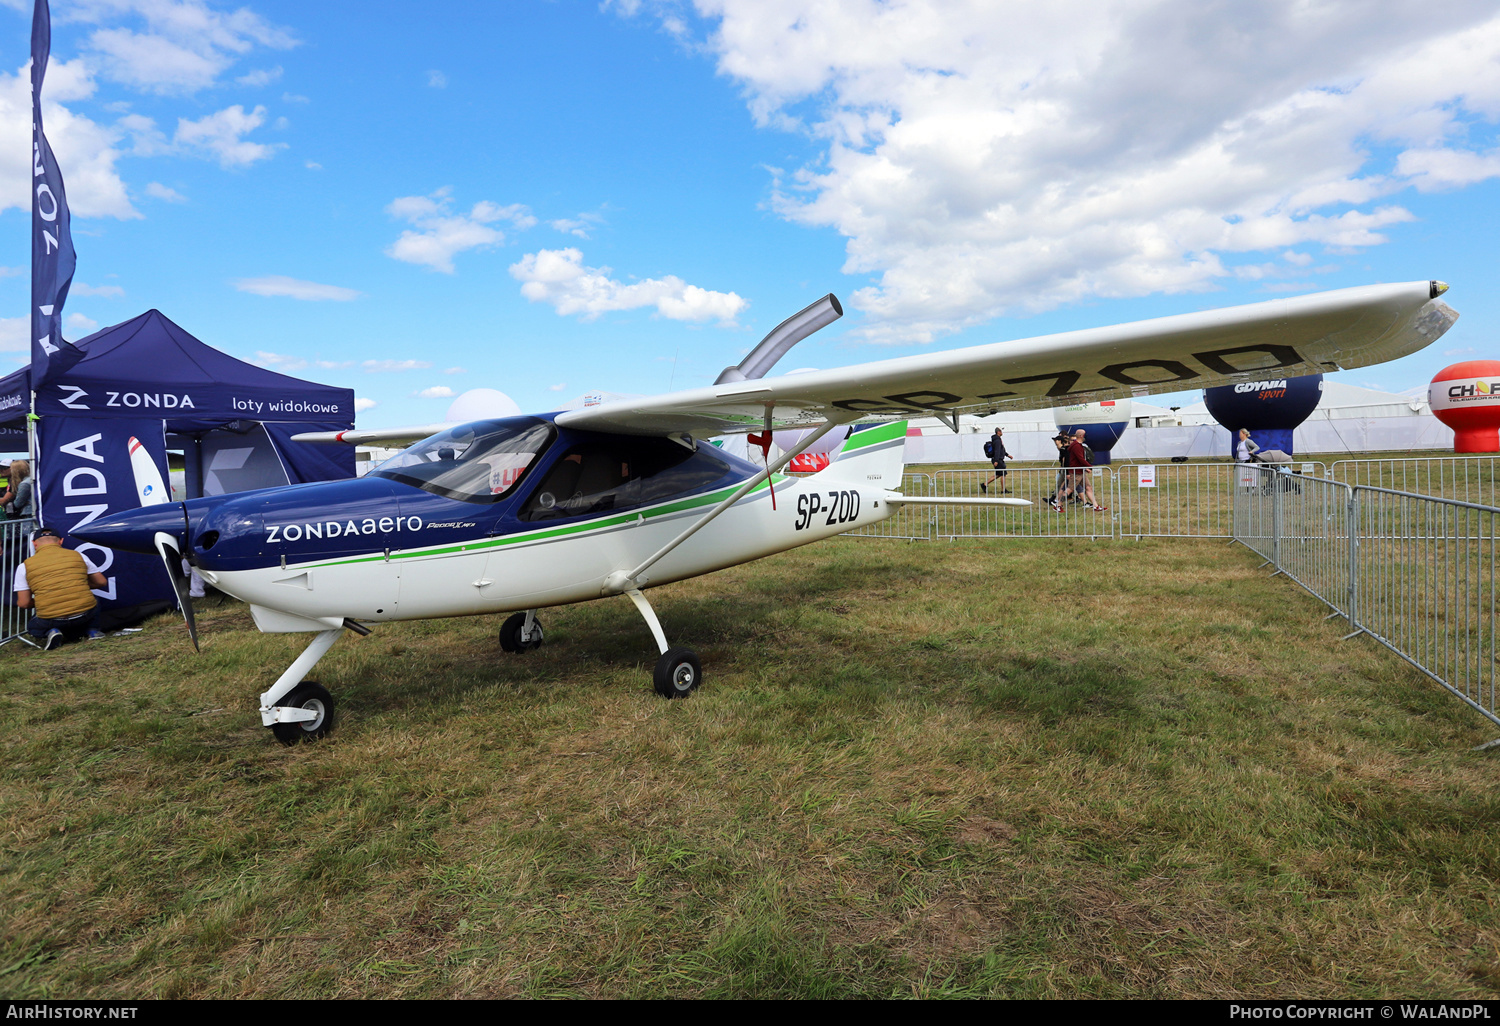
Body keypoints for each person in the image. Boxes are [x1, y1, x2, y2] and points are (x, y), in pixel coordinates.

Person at [14, 527, 107, 650]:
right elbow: (101, 582)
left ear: (34, 543)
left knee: (33, 627)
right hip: (84, 614)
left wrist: (44, 599)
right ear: (61, 541)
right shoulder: (78, 555)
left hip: (51, 619)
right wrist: (79, 585)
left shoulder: (24, 566)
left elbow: (24, 603)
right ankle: (93, 631)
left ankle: (52, 631)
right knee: (94, 599)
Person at [1052, 428, 1108, 512]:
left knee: (1088, 487)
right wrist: (1089, 466)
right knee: (1069, 489)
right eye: (1085, 434)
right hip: (1076, 472)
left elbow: (1079, 460)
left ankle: (1096, 506)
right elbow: (1080, 459)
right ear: (1081, 436)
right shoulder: (1077, 446)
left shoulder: (1076, 445)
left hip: (1080, 471)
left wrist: (1085, 467)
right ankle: (1058, 505)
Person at [980, 428, 1011, 493]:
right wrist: (996, 460)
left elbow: (1001, 450)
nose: (1002, 432)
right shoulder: (997, 440)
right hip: (998, 459)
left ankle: (984, 484)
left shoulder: (997, 440)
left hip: (998, 459)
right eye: (1001, 431)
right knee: (1003, 474)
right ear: (998, 432)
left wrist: (1007, 455)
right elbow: (997, 451)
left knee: (999, 474)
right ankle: (1003, 490)